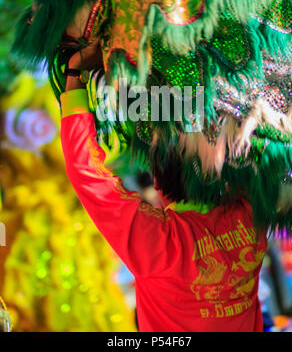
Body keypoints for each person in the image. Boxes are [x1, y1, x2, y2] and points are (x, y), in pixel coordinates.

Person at [60, 41, 267, 333]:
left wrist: (74, 75)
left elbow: (86, 171)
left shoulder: (160, 244)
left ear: (158, 176)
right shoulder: (250, 219)